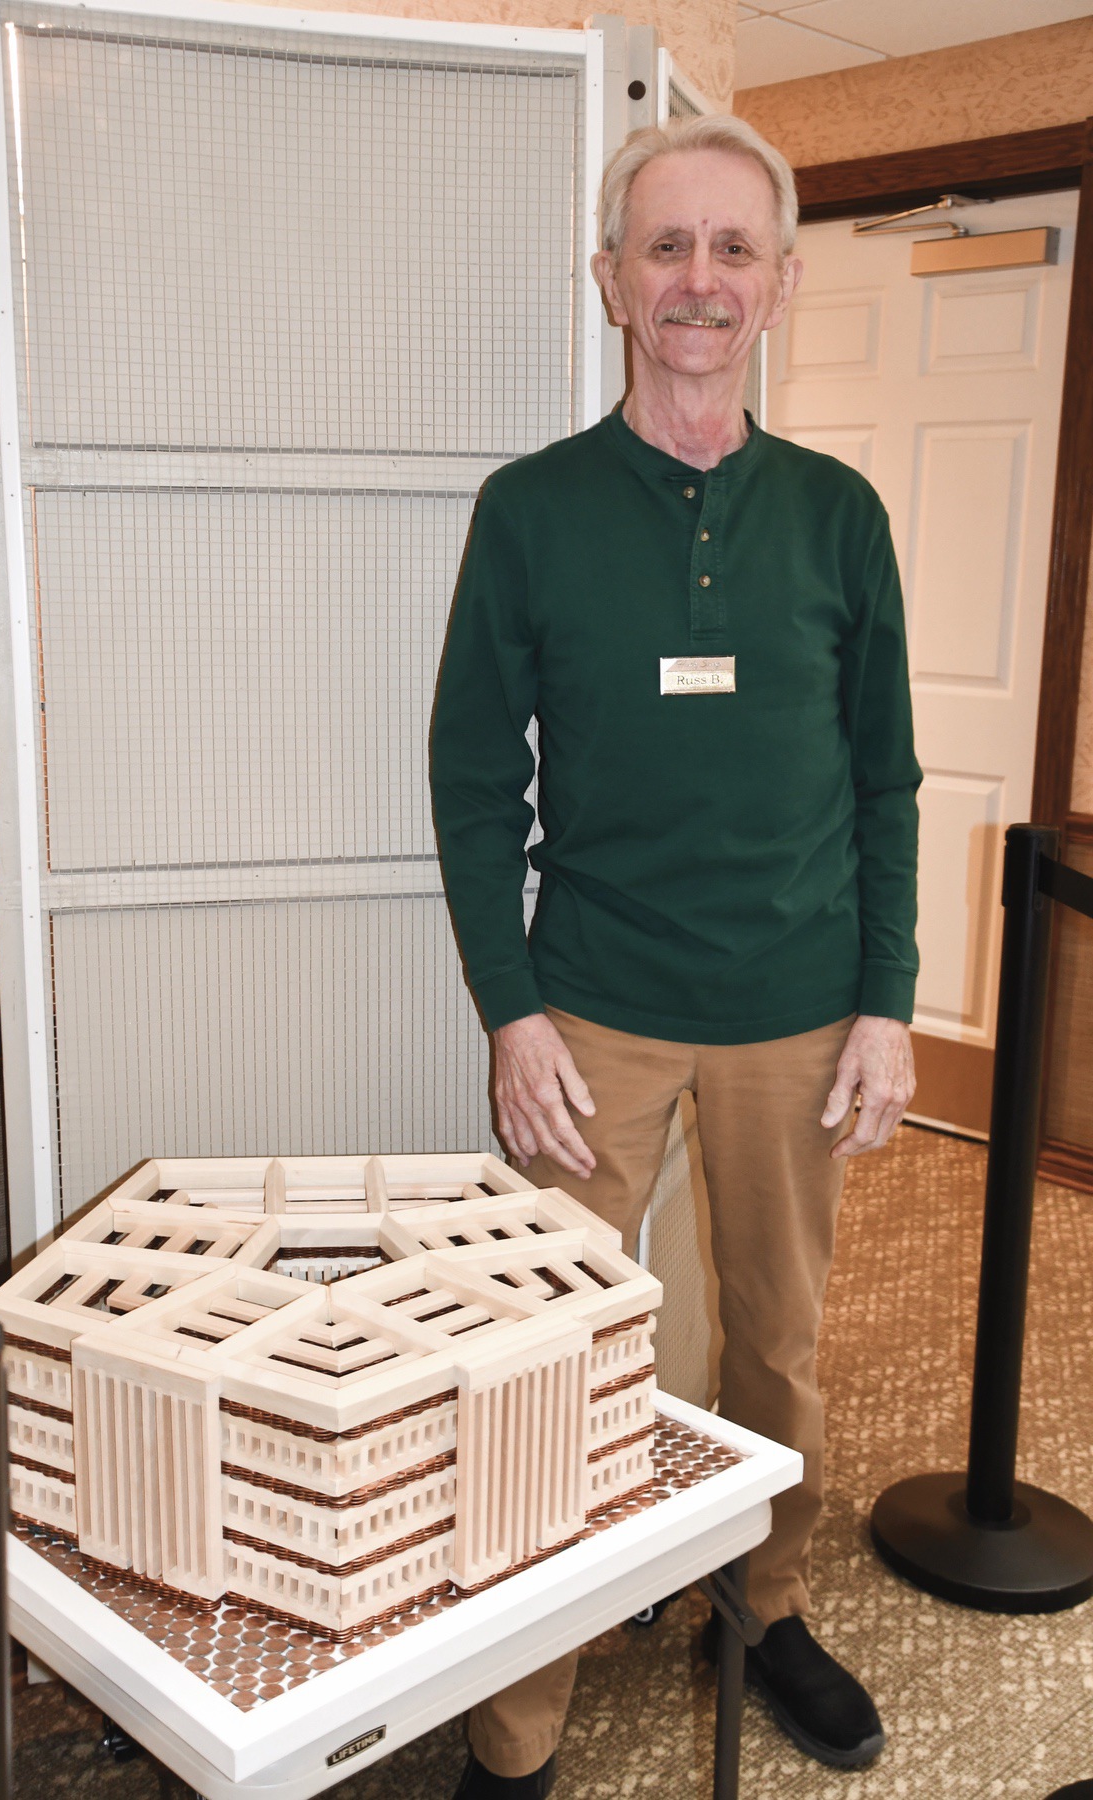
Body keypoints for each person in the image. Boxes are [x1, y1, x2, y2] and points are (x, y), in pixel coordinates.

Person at [430, 112, 920, 1799]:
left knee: (775, 1343)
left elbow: (884, 777)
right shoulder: (534, 511)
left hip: (796, 1016)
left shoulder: (842, 519)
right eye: (666, 247)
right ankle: (521, 1704)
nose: (697, 281)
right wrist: (511, 1012)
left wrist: (885, 1000)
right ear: (612, 277)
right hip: (593, 1023)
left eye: (731, 250)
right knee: (547, 1354)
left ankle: (760, 1601)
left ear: (778, 286)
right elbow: (475, 779)